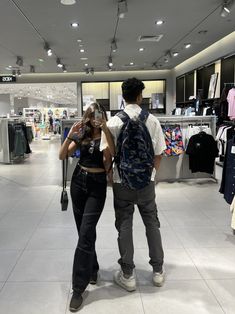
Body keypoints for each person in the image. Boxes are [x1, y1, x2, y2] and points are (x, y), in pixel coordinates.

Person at [100, 77, 166, 292]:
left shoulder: (112, 122)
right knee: (152, 223)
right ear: (140, 96)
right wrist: (151, 175)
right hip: (146, 182)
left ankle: (128, 274)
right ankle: (157, 272)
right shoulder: (152, 120)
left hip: (122, 181)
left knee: (124, 224)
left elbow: (106, 155)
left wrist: (111, 177)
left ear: (123, 96)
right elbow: (158, 153)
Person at [59, 102, 114, 312]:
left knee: (85, 233)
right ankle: (93, 267)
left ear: (103, 116)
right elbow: (62, 155)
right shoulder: (82, 133)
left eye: (97, 115)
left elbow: (109, 162)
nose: (94, 119)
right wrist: (69, 136)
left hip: (97, 186)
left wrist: (106, 133)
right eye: (91, 115)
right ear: (87, 116)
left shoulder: (107, 134)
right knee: (84, 232)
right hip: (78, 183)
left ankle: (78, 289)